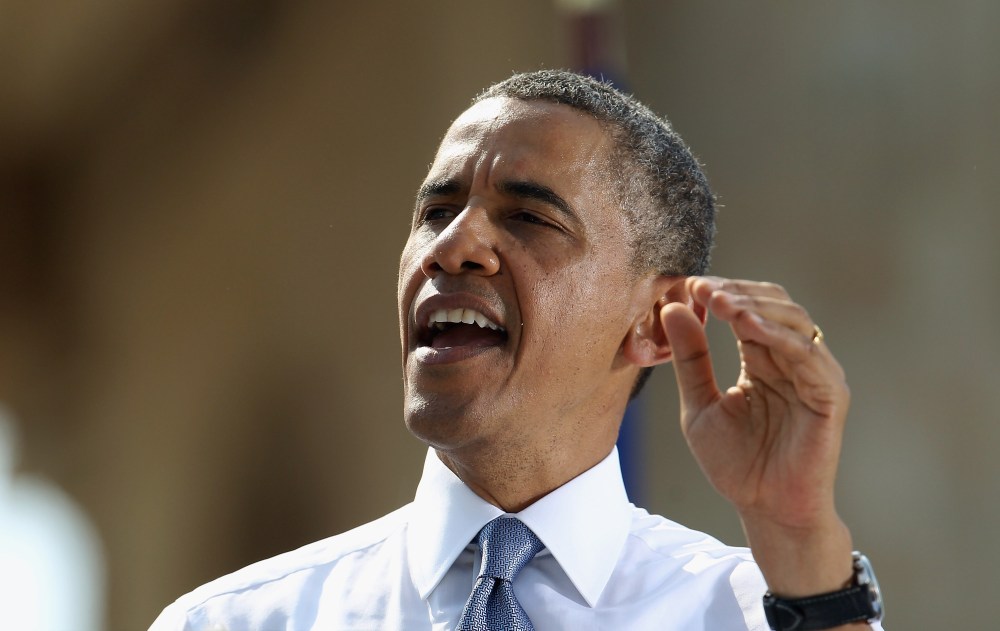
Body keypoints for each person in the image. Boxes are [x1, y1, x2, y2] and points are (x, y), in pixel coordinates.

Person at [150, 70, 884, 630]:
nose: (453, 247)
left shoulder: (757, 614)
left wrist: (795, 528)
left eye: (530, 217)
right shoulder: (236, 620)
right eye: (436, 212)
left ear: (657, 322)